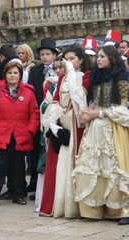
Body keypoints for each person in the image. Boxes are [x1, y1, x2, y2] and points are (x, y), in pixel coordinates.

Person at [72, 45, 129, 225]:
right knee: (93, 166)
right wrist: (89, 112)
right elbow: (94, 104)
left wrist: (98, 114)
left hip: (113, 129)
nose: (98, 59)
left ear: (112, 58)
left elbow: (124, 111)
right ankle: (93, 209)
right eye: (97, 56)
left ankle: (119, 210)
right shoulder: (95, 79)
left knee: (113, 166)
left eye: (102, 56)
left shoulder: (122, 79)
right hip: (94, 131)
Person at [40, 45, 91, 218]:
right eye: (66, 60)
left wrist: (72, 77)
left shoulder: (86, 76)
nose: (68, 63)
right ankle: (59, 205)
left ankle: (78, 207)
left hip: (79, 126)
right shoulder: (62, 78)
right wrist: (53, 125)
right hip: (63, 125)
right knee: (59, 166)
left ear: (81, 60)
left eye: (72, 59)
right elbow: (54, 101)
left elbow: (81, 101)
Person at [0, 61, 40, 208]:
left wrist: (30, 130)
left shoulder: (28, 91)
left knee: (19, 166)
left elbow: (34, 113)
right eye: (10, 73)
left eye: (15, 73)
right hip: (2, 133)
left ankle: (18, 194)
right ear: (5, 74)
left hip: (21, 134)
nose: (13, 75)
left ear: (20, 75)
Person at [27, 38, 58, 196]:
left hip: (56, 112)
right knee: (37, 147)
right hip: (40, 111)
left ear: (54, 55)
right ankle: (34, 181)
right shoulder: (35, 71)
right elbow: (32, 91)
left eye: (47, 54)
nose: (45, 57)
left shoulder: (60, 68)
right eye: (42, 54)